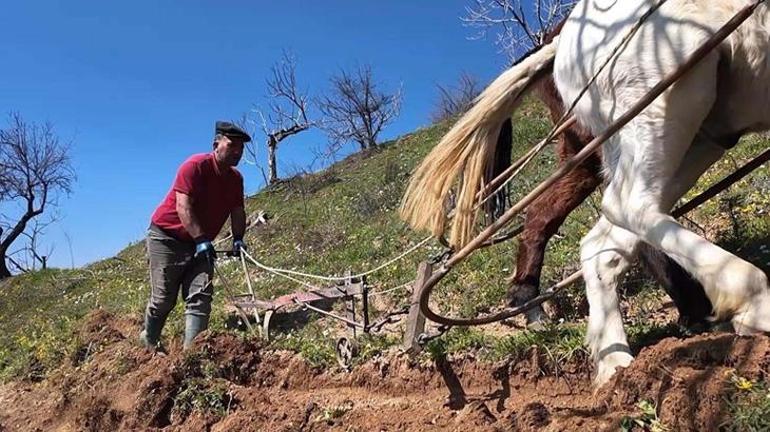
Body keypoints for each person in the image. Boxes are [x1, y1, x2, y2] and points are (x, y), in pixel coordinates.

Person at [139, 121, 250, 351]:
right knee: (163, 300)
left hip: (201, 245)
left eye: (241, 148)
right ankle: (149, 341)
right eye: (232, 146)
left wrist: (238, 238)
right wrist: (201, 239)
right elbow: (183, 207)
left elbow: (238, 211)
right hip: (167, 238)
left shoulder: (235, 179)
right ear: (216, 144)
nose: (237, 152)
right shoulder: (194, 166)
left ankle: (192, 355)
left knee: (201, 296)